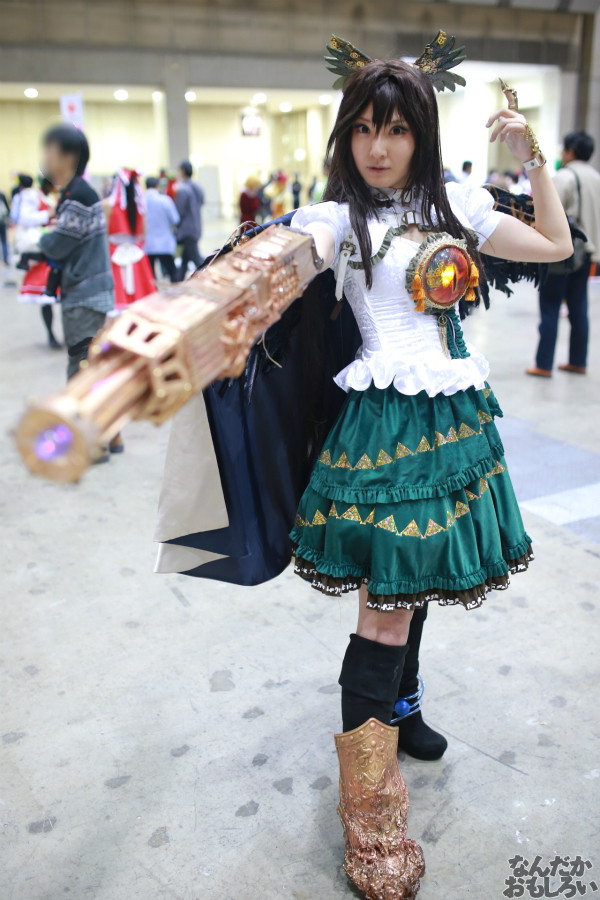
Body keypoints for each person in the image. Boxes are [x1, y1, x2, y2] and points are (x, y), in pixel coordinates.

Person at [154, 32, 572, 900]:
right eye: (363, 129)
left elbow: (557, 247)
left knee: (412, 587)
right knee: (383, 612)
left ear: (421, 132)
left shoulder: (458, 205)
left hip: (455, 424)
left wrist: (532, 158)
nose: (378, 148)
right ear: (346, 136)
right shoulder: (331, 221)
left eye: (396, 129)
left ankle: (404, 709)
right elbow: (258, 277)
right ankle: (372, 819)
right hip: (381, 435)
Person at [527, 130, 600, 377]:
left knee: (550, 305)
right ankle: (578, 361)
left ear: (570, 151)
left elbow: (545, 208)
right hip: (587, 253)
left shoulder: (565, 177)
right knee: (579, 308)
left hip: (564, 253)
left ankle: (543, 364)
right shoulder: (596, 177)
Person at [11, 174, 61, 348]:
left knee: (57, 297)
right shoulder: (32, 196)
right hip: (41, 248)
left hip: (52, 248)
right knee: (45, 298)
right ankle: (51, 335)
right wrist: (48, 214)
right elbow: (24, 218)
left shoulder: (48, 197)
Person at [105, 169, 155, 308]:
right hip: (136, 257)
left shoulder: (107, 205)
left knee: (116, 303)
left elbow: (104, 234)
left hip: (114, 256)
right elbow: (143, 235)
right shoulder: (140, 207)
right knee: (141, 301)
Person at [144, 176, 180, 282]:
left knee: (150, 276)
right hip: (164, 243)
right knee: (173, 273)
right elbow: (175, 219)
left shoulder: (140, 201)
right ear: (157, 186)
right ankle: (176, 291)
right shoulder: (165, 200)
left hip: (147, 244)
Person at [175, 160, 204, 280]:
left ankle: (209, 278)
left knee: (197, 260)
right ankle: (178, 281)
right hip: (196, 226)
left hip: (186, 229)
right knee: (185, 259)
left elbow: (179, 211)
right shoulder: (198, 187)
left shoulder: (183, 189)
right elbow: (201, 203)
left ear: (182, 171)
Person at [0, 189, 9, 266]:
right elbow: (7, 209)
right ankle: (5, 259)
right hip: (2, 221)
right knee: (4, 241)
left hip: (2, 221)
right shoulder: (2, 194)